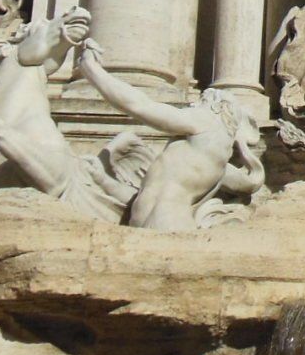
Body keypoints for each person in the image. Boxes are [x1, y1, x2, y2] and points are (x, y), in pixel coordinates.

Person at [75, 41, 265, 231]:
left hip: (164, 224)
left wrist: (91, 69)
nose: (192, 106)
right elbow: (145, 196)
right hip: (166, 225)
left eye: (200, 101)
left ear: (216, 106)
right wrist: (102, 179)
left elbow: (139, 105)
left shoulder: (206, 121)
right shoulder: (219, 167)